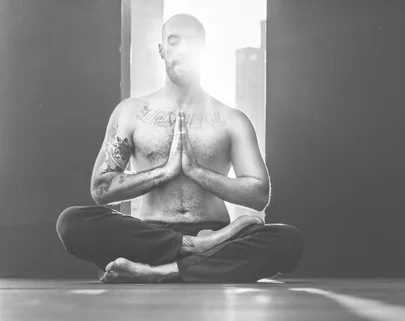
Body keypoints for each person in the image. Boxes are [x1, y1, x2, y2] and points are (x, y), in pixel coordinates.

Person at [55, 13, 303, 283]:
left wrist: (197, 172)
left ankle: (159, 271)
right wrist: (163, 172)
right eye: (174, 41)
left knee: (287, 239)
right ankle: (192, 253)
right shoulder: (131, 112)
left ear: (204, 52)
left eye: (193, 42)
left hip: (216, 235)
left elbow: (258, 195)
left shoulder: (232, 119)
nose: (183, 49)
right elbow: (100, 189)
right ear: (161, 50)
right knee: (71, 222)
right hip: (147, 237)